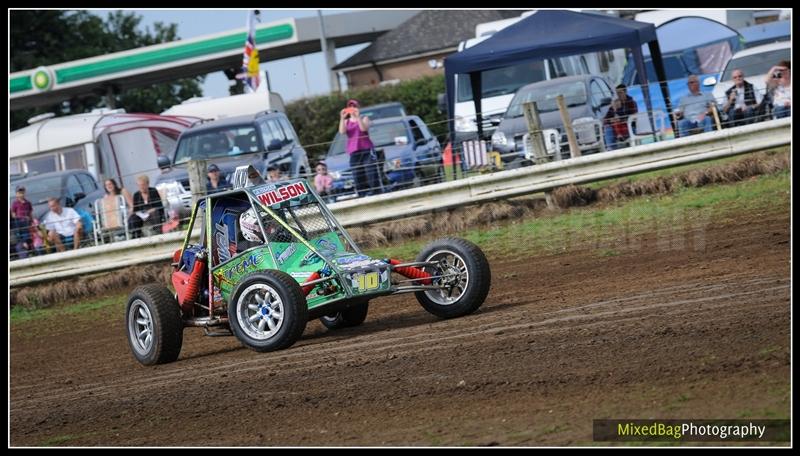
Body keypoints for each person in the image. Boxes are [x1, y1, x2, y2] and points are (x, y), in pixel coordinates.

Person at [339, 99, 382, 197]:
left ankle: (376, 192)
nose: (352, 108)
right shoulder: (346, 121)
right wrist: (342, 118)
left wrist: (358, 117)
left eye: (354, 106)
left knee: (370, 171)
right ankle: (362, 193)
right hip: (354, 151)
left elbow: (363, 129)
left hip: (366, 149)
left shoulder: (364, 118)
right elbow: (342, 132)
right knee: (357, 173)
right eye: (350, 106)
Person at [602, 84, 638, 150]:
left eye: (620, 93)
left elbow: (634, 117)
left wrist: (620, 119)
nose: (619, 95)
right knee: (608, 127)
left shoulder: (631, 103)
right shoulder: (615, 103)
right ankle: (610, 148)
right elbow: (605, 119)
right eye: (617, 93)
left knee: (616, 122)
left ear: (625, 92)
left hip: (628, 127)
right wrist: (611, 118)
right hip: (616, 128)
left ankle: (612, 146)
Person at [10, 185, 34, 258]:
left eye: (22, 192)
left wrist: (31, 220)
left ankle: (28, 245)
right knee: (21, 234)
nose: (21, 194)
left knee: (28, 234)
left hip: (26, 222)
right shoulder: (15, 203)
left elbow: (30, 213)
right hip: (19, 223)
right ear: (16, 194)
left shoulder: (28, 203)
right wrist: (21, 218)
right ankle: (24, 244)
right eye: (19, 192)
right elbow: (13, 215)